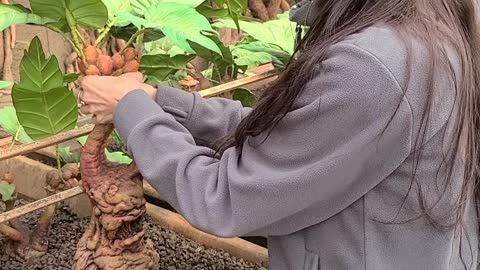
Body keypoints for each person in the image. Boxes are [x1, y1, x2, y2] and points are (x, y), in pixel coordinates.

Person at [77, 0, 480, 269]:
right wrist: (165, 103)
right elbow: (305, 135)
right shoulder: (432, 21)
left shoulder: (374, 64)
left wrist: (131, 109)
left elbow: (223, 197)